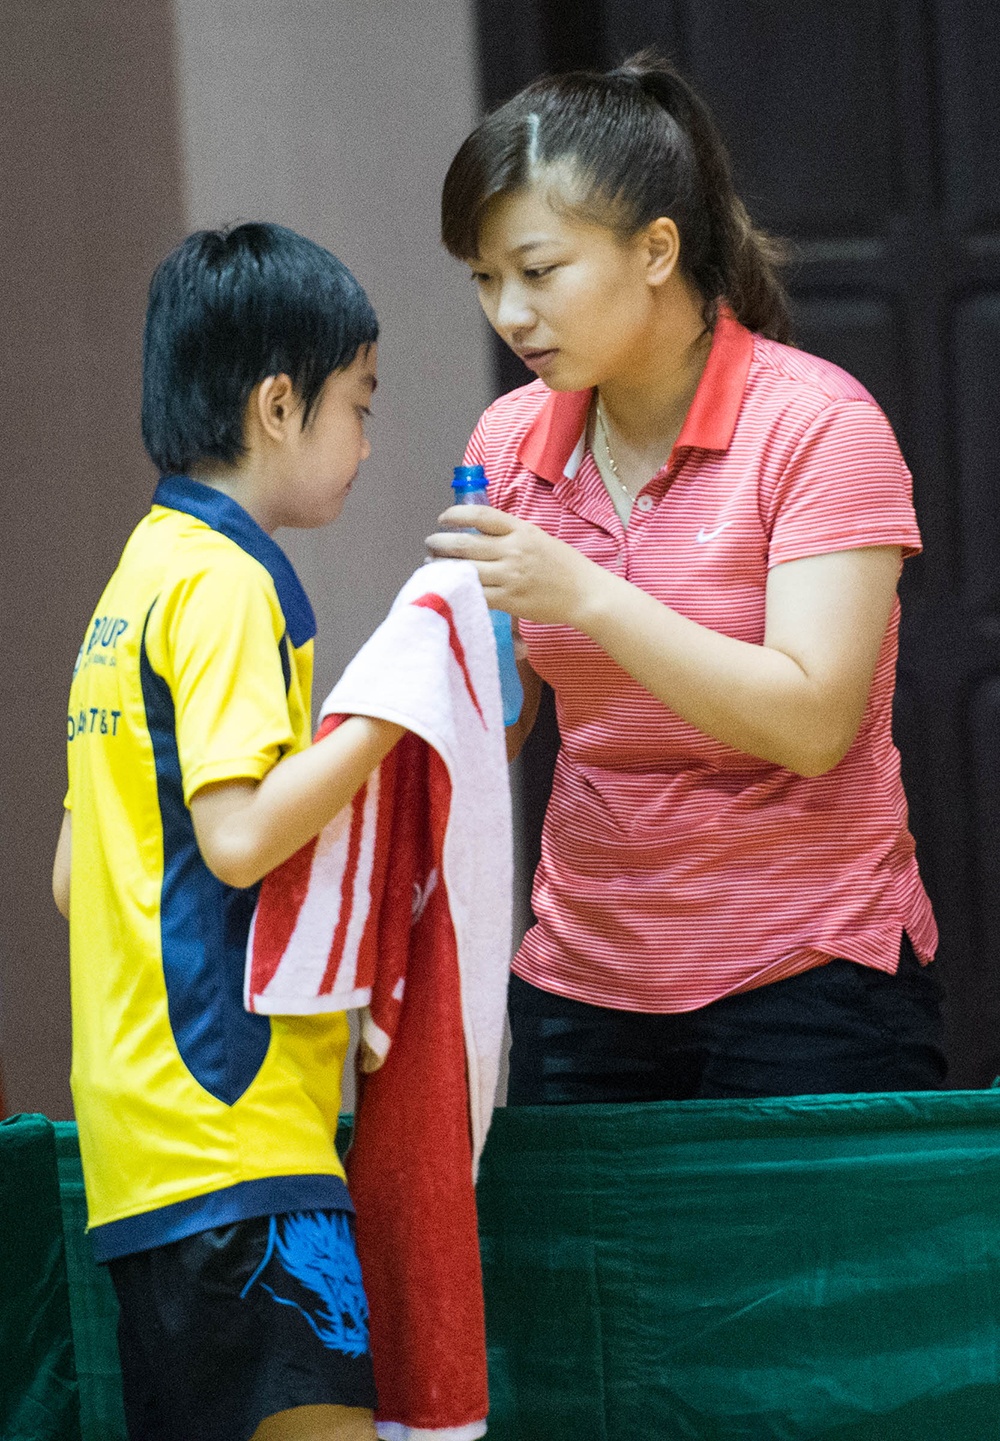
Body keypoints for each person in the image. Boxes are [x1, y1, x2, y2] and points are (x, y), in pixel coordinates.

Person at [426, 53, 946, 1105]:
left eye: (538, 271)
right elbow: (504, 720)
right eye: (484, 279)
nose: (510, 313)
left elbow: (811, 722)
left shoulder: (817, 425)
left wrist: (586, 595)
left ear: (656, 248)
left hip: (810, 976)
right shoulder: (508, 440)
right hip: (582, 981)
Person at [52, 223, 404, 1441]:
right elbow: (239, 838)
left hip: (136, 1155)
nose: (368, 441)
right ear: (278, 405)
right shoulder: (227, 583)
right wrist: (386, 715)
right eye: (359, 404)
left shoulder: (135, 578)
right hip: (237, 1139)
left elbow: (75, 876)